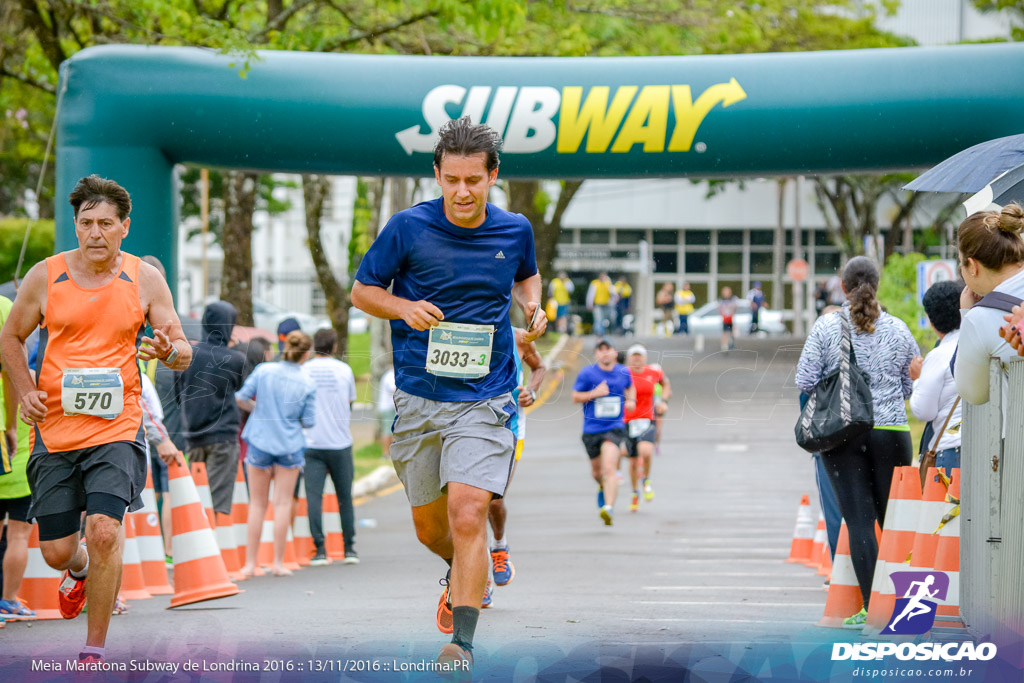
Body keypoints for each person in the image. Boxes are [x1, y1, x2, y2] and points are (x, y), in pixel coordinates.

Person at [350, 116, 545, 670]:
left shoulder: (515, 230)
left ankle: (461, 641)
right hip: (419, 396)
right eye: (451, 180)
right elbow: (364, 290)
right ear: (437, 174)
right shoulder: (407, 229)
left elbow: (527, 276)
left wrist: (532, 305)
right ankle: (464, 569)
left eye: (474, 181)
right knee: (432, 529)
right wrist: (403, 308)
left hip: (486, 396)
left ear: (492, 177)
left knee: (468, 513)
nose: (462, 192)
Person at [0, 175, 191, 662]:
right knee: (57, 551)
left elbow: (181, 348)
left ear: (125, 227)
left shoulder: (145, 278)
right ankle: (79, 571)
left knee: (105, 529)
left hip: (118, 426)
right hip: (56, 430)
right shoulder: (46, 275)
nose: (95, 233)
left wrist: (169, 350)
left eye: (106, 223)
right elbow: (10, 338)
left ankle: (94, 651)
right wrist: (24, 391)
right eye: (86, 223)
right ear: (76, 226)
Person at [795, 256, 917, 628]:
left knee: (860, 522)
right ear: (876, 285)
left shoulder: (827, 327)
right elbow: (910, 385)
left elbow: (804, 379)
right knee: (893, 522)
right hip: (893, 432)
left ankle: (874, 609)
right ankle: (909, 607)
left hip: (844, 433)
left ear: (842, 287)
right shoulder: (899, 328)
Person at [236, 330, 316, 577]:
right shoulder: (307, 383)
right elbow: (310, 421)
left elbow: (240, 398)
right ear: (306, 354)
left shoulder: (264, 371)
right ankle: (278, 563)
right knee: (282, 504)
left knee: (257, 504)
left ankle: (250, 564)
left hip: (260, 440)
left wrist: (258, 409)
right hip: (290, 445)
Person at [485, 327, 546, 606]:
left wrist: (531, 391)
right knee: (463, 507)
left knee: (492, 500)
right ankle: (477, 578)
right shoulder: (458, 332)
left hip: (509, 431)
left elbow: (539, 367)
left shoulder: (518, 337)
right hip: (463, 428)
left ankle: (499, 546)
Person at [175, 301, 246, 521]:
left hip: (193, 437)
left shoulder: (187, 355)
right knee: (216, 503)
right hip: (223, 437)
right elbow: (242, 388)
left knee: (195, 500)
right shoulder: (235, 359)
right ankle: (214, 552)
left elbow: (179, 396)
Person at [953, 204, 1024, 406]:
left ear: (973, 266)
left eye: (961, 263)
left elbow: (973, 393)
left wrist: (967, 314)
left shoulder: (979, 319)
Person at [301, 327, 359, 566]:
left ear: (315, 345)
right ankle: (349, 549)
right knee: (344, 497)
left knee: (314, 497)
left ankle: (320, 549)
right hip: (339, 443)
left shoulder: (304, 371)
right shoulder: (344, 370)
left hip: (311, 442)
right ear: (334, 347)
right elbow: (350, 401)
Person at [572, 338, 635, 526]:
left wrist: (631, 400)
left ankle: (608, 508)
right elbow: (575, 396)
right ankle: (602, 485)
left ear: (615, 353)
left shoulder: (623, 372)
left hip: (614, 427)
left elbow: (630, 388)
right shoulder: (588, 374)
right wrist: (594, 393)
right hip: (591, 430)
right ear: (596, 354)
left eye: (609, 349)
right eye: (601, 350)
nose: (605, 353)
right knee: (597, 472)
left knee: (610, 468)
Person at [0, 295, 36, 620]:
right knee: (19, 534)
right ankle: (8, 601)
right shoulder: (3, 308)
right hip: (17, 461)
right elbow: (11, 372)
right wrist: (10, 425)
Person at [908, 280, 962, 475]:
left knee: (951, 506)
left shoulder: (939, 354)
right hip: (984, 445)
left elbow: (924, 411)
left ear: (931, 321)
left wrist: (917, 379)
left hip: (952, 449)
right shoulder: (977, 343)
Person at [623, 344, 670, 510]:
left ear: (645, 358)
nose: (637, 359)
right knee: (634, 460)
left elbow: (666, 384)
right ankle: (635, 492)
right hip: (628, 420)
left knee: (647, 451)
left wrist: (663, 401)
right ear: (629, 358)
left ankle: (647, 479)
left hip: (647, 418)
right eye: (634, 356)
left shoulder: (653, 372)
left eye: (640, 356)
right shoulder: (623, 373)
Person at [587, 272, 615, 336]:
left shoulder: (608, 283)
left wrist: (609, 283)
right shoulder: (595, 283)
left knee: (606, 319)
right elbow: (590, 295)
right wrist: (589, 304)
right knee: (598, 319)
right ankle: (599, 332)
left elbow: (613, 293)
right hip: (598, 304)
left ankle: (604, 331)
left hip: (606, 305)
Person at [378, 365, 397, 458]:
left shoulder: (390, 375)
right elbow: (394, 390)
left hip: (390, 408)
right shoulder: (390, 376)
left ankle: (390, 452)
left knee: (391, 431)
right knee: (387, 431)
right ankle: (385, 453)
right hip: (388, 408)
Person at [718, 286, 739, 352]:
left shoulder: (733, 299)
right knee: (725, 332)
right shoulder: (721, 300)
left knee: (732, 332)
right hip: (725, 319)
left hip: (731, 318)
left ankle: (731, 342)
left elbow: (735, 308)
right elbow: (720, 309)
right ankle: (724, 345)